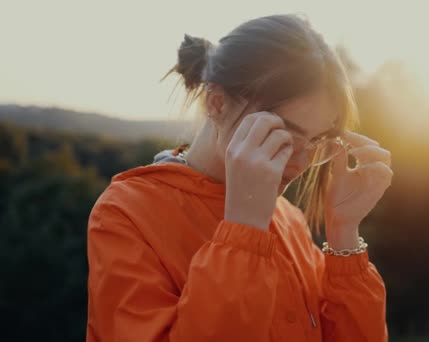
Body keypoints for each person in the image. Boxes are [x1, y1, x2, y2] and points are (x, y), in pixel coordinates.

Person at [86, 14, 392, 341]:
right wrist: (243, 232)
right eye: (284, 134)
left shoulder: (289, 220)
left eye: (317, 142)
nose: (301, 163)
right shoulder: (125, 214)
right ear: (217, 103)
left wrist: (344, 233)